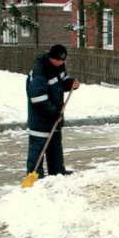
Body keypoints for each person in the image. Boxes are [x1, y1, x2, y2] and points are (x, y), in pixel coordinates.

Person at [26, 44, 79, 178]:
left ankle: (57, 171)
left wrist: (72, 83)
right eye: (58, 60)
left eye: (63, 60)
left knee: (55, 145)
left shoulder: (59, 68)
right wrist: (54, 113)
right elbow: (38, 98)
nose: (60, 62)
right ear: (51, 57)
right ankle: (35, 175)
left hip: (54, 115)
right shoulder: (40, 71)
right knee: (38, 148)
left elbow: (63, 82)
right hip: (40, 118)